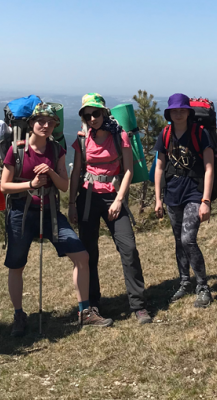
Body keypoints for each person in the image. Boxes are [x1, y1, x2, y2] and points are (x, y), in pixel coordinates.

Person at [1, 102, 113, 337]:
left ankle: (84, 311)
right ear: (31, 124)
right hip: (22, 212)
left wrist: (50, 173)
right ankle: (19, 314)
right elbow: (4, 186)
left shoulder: (56, 151)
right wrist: (30, 184)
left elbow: (63, 186)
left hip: (50, 212)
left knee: (81, 256)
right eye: (41, 121)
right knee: (16, 265)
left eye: (51, 122)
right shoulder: (16, 149)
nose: (46, 125)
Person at [69, 93, 152, 325]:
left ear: (105, 112)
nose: (92, 118)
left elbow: (128, 170)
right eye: (87, 115)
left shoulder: (120, 136)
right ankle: (92, 304)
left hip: (113, 197)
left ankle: (138, 305)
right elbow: (76, 171)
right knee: (88, 253)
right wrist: (71, 204)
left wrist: (119, 200)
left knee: (129, 248)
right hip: (87, 197)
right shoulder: (83, 138)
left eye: (96, 113)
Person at [153, 93, 215, 307]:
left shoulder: (201, 133)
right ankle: (184, 281)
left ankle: (203, 286)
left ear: (189, 112)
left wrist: (206, 200)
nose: (178, 113)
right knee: (179, 241)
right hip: (172, 194)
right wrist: (158, 199)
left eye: (182, 109)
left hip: (194, 193)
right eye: (174, 110)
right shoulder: (165, 134)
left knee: (188, 239)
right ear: (169, 113)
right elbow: (159, 167)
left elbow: (209, 167)